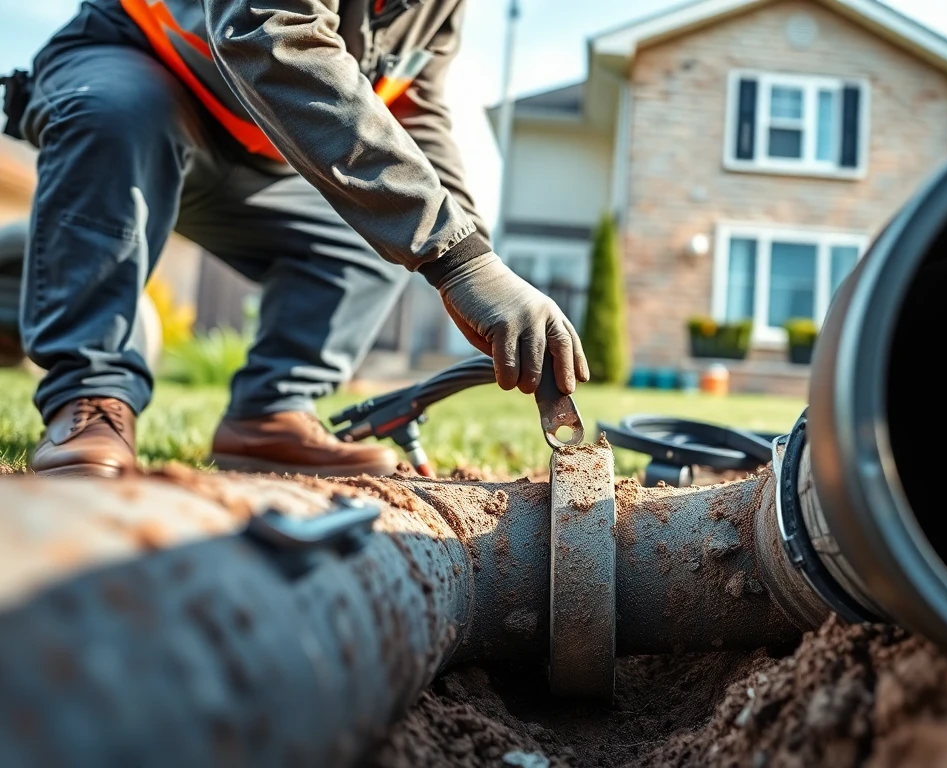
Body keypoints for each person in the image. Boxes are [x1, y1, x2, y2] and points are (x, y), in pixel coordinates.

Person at [1, 0, 588, 478]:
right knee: (117, 114)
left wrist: (474, 256)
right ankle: (90, 397)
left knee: (386, 219)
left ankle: (268, 414)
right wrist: (457, 258)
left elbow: (416, 110)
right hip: (135, 69)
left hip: (259, 156)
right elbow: (268, 30)